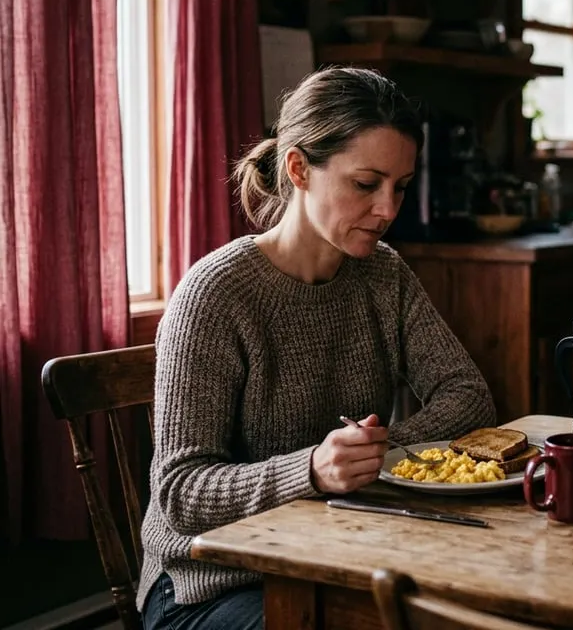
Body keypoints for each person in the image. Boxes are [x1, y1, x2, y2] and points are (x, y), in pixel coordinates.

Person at [138, 67, 496, 630]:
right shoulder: (216, 294)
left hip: (339, 555)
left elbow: (468, 396)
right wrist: (311, 469)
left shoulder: (384, 275)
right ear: (299, 168)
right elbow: (181, 493)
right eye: (366, 183)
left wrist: (375, 454)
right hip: (210, 586)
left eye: (399, 186)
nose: (388, 210)